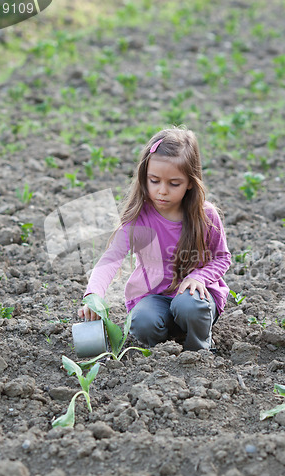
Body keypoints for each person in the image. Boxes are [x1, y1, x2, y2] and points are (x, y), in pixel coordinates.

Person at [78, 127, 231, 351]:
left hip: (194, 300)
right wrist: (93, 295)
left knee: (189, 305)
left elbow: (222, 258)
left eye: (174, 183)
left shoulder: (205, 215)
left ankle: (198, 350)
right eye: (154, 181)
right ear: (144, 177)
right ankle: (165, 347)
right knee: (143, 322)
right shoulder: (139, 219)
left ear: (190, 182)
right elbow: (111, 260)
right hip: (153, 298)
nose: (162, 191)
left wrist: (199, 277)